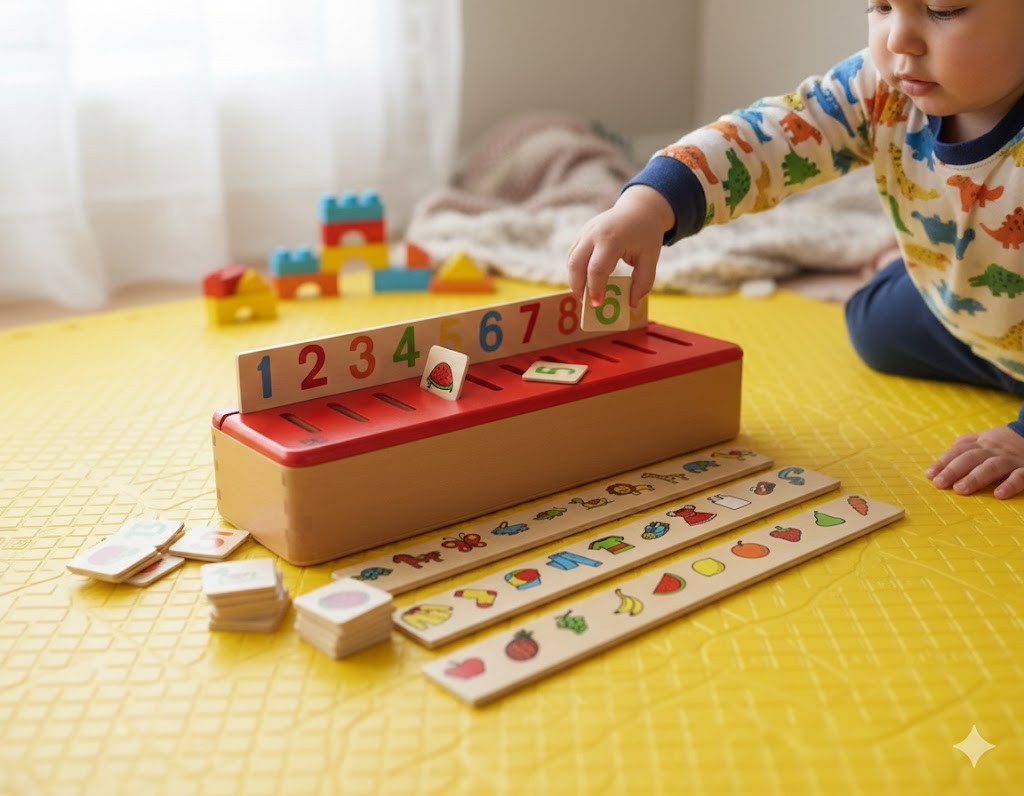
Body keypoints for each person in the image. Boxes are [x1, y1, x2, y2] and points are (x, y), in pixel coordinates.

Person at [566, 1, 1024, 499]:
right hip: (974, 316)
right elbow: (771, 135)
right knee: (872, 327)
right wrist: (652, 204)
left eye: (943, 9)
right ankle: (904, 267)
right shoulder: (880, 88)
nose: (898, 40)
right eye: (882, 6)